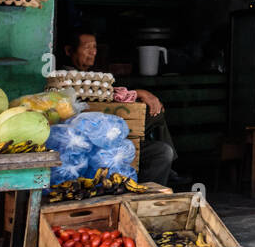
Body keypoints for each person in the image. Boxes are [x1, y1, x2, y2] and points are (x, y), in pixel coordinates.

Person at [62, 30, 185, 188]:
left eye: (95, 47)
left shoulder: (96, 75)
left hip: (114, 135)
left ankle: (149, 193)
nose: (93, 52)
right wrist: (140, 93)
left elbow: (113, 95)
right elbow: (98, 98)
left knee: (162, 150)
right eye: (87, 47)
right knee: (155, 115)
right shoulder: (65, 77)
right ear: (69, 50)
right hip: (91, 140)